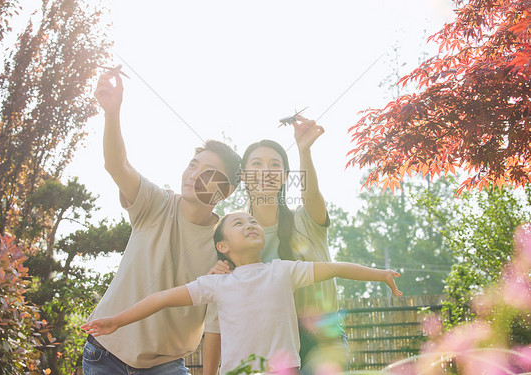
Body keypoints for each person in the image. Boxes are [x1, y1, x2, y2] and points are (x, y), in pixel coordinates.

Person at [81, 212, 402, 375]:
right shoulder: (217, 284)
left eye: (252, 221)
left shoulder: (283, 270)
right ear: (223, 246)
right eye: (239, 223)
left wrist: (380, 274)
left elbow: (334, 267)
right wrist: (118, 320)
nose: (250, 224)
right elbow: (162, 298)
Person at [81, 70, 241, 374]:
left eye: (209, 172)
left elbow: (217, 324)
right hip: (105, 354)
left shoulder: (226, 244)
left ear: (226, 191)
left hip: (166, 366)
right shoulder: (156, 203)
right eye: (193, 165)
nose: (194, 175)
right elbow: (117, 165)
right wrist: (112, 112)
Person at [210, 116, 349, 372]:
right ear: (243, 175)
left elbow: (312, 195)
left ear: (285, 177)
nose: (266, 171)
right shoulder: (234, 236)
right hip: (270, 347)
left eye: (275, 165)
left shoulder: (306, 221)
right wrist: (220, 273)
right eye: (257, 164)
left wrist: (303, 150)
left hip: (322, 341)